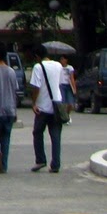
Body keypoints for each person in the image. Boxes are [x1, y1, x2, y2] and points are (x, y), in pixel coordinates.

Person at [28, 44, 66, 173]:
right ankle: (56, 164)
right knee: (55, 136)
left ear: (37, 56)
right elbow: (59, 83)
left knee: (37, 132)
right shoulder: (58, 65)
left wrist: (34, 103)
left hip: (43, 107)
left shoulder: (38, 67)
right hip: (57, 105)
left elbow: (36, 87)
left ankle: (40, 160)